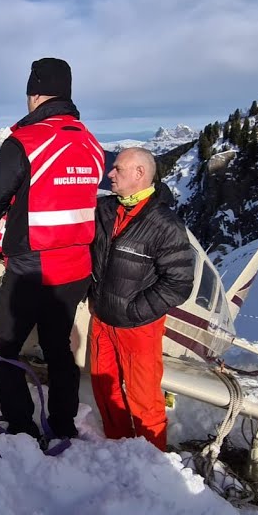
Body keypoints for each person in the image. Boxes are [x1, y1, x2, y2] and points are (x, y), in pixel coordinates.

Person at [0, 58, 104, 441]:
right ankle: (62, 426)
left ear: (34, 94)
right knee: (58, 349)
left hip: (32, 268)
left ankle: (22, 426)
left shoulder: (27, 140)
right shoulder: (92, 144)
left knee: (4, 348)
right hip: (76, 268)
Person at [87, 147, 195, 451]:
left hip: (138, 327)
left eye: (117, 169)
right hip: (103, 320)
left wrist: (135, 311)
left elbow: (179, 283)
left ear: (139, 174)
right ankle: (117, 447)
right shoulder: (106, 209)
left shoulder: (166, 225)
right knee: (104, 389)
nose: (110, 174)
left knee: (143, 398)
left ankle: (152, 460)